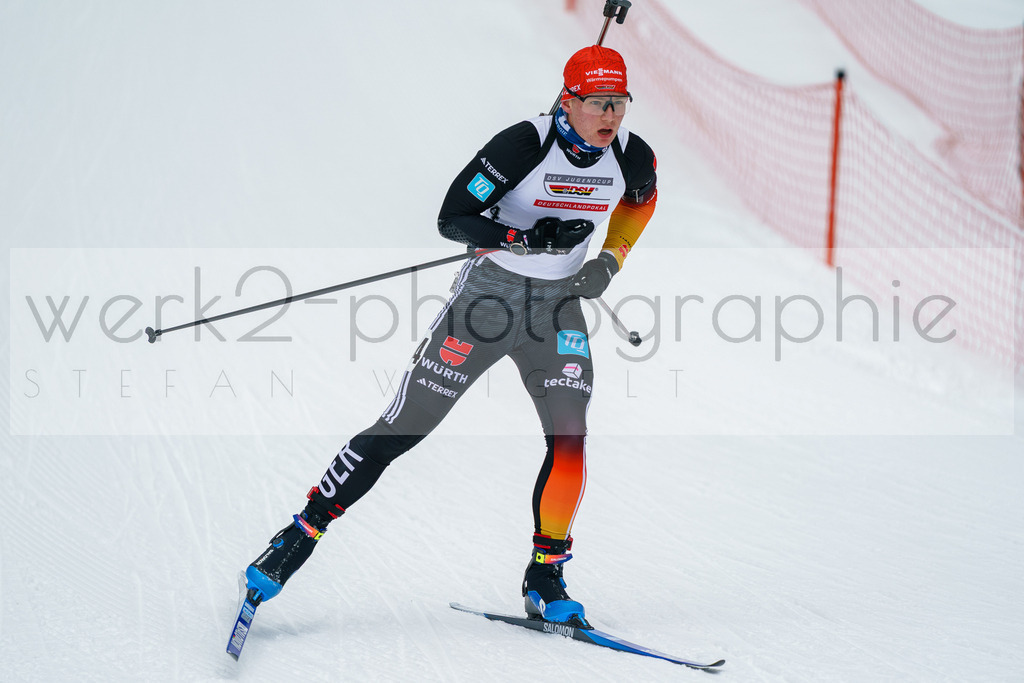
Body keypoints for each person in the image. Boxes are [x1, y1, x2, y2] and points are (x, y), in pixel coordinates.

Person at [244, 45, 658, 628]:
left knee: (570, 440)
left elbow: (643, 201)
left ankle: (546, 575)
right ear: (569, 100)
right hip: (489, 300)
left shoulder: (631, 156)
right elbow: (452, 218)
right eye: (598, 103)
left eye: (620, 103)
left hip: (559, 309)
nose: (610, 115)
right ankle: (296, 535)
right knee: (404, 428)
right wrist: (522, 233)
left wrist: (610, 260)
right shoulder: (524, 145)